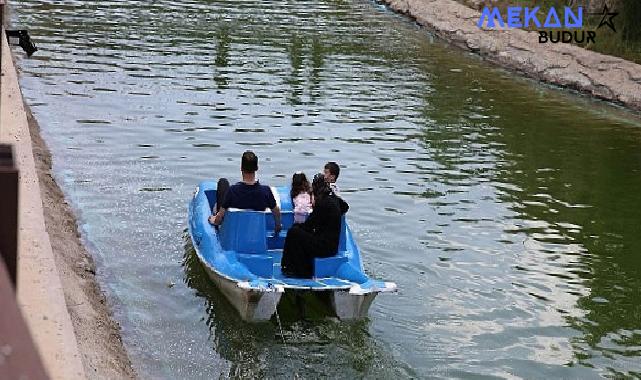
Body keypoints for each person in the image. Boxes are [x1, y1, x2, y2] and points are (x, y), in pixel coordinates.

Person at [281, 173, 349, 278]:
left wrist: (297, 226)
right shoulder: (334, 198)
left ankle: (293, 269)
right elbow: (345, 207)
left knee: (293, 233)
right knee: (298, 233)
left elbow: (308, 225)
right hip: (332, 244)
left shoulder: (322, 203)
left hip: (325, 247)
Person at [209, 151, 282, 235]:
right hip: (255, 232)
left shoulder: (232, 191)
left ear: (241, 168)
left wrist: (215, 220)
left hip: (235, 232)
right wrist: (278, 225)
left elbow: (221, 214)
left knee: (223, 182)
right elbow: (276, 211)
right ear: (257, 168)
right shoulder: (265, 192)